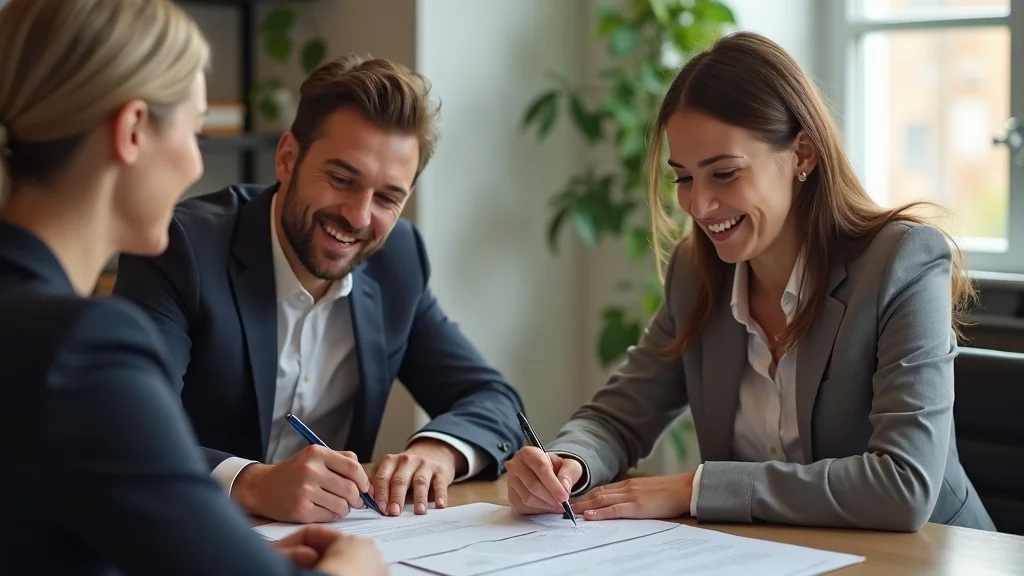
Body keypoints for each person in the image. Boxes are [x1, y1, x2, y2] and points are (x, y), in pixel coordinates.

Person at [505, 31, 996, 533]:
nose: (698, 205)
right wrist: (569, 463)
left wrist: (695, 488)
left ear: (803, 155)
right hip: (777, 554)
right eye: (684, 178)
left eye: (724, 174)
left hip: (930, 555)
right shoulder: (696, 273)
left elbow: (903, 485)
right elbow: (618, 416)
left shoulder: (901, 263)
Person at [0, 1, 386, 574]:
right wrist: (351, 568)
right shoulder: (82, 347)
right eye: (195, 131)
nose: (195, 166)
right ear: (133, 130)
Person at [111, 53, 525, 524]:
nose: (358, 216)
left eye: (387, 197)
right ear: (288, 157)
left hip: (338, 543)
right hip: (184, 532)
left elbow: (493, 400)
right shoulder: (182, 247)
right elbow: (124, 424)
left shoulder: (398, 261)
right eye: (342, 179)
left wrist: (439, 451)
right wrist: (249, 483)